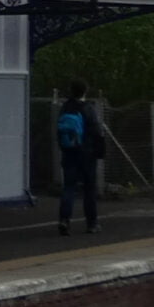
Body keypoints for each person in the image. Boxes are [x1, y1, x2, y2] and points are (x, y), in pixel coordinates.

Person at [53, 79, 104, 237]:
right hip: (86, 153)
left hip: (69, 152)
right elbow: (96, 131)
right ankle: (92, 223)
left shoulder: (65, 107)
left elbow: (59, 131)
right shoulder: (88, 108)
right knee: (89, 188)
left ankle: (64, 221)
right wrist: (99, 150)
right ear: (85, 91)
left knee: (69, 187)